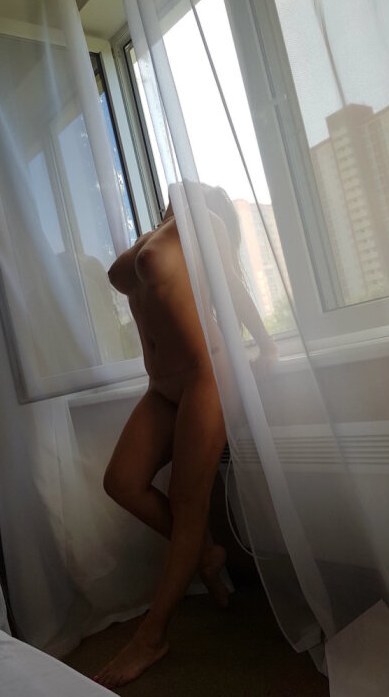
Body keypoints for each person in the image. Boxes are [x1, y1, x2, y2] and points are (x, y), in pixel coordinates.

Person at [96, 190, 277, 688]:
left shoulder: (203, 223)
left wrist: (266, 345)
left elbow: (231, 285)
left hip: (206, 376)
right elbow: (121, 275)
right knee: (121, 482)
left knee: (186, 503)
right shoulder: (157, 235)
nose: (175, 189)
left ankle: (152, 636)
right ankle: (204, 552)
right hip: (161, 386)